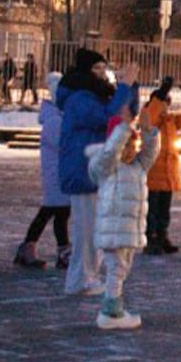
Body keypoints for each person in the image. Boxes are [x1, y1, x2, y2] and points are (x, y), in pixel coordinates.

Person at [57, 49, 137, 296]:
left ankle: (85, 277)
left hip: (96, 168)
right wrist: (123, 86)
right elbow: (107, 117)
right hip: (83, 170)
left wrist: (130, 87)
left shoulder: (96, 94)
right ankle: (80, 279)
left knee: (97, 229)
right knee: (87, 231)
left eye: (104, 68)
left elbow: (125, 113)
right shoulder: (80, 97)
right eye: (97, 69)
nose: (102, 74)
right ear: (85, 71)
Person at [89, 110, 160, 330]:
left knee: (122, 269)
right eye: (126, 146)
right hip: (113, 230)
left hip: (129, 232)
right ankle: (111, 312)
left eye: (133, 146)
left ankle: (114, 308)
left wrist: (149, 132)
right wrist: (123, 130)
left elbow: (151, 153)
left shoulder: (137, 167)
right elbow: (110, 153)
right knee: (116, 269)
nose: (131, 151)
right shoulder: (107, 167)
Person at [14, 72, 70, 270]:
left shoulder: (57, 116)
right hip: (56, 173)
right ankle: (59, 251)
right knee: (55, 210)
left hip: (59, 172)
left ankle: (33, 248)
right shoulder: (55, 120)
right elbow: (64, 144)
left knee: (56, 211)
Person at [141, 75, 181, 255]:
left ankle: (162, 235)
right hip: (153, 172)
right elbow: (151, 116)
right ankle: (150, 238)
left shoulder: (171, 121)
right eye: (164, 102)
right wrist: (162, 91)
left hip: (167, 172)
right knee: (152, 208)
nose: (167, 105)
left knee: (164, 209)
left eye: (168, 102)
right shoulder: (148, 118)